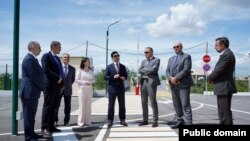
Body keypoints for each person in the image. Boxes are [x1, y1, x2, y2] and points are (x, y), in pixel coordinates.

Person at [207, 37, 237, 125]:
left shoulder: (227, 55)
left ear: (223, 45)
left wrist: (209, 78)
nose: (215, 47)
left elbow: (219, 70)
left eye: (216, 45)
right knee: (222, 112)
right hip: (222, 87)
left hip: (224, 87)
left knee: (224, 112)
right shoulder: (226, 54)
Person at [20, 41, 44, 141]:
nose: (40, 49)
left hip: (32, 92)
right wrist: (44, 87)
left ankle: (32, 133)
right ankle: (29, 137)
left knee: (31, 116)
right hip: (28, 92)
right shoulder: (29, 59)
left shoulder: (33, 59)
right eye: (39, 47)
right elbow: (34, 76)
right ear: (33, 47)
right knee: (28, 115)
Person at [166, 42, 193, 128]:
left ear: (181, 47)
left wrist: (176, 78)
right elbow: (167, 71)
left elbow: (186, 69)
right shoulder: (171, 59)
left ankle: (188, 123)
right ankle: (179, 121)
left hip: (183, 84)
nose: (176, 48)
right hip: (173, 85)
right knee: (176, 104)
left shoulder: (186, 56)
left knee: (185, 104)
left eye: (177, 46)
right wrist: (171, 79)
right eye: (174, 47)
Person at [41, 41, 63, 135]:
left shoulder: (57, 58)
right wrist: (57, 78)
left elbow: (60, 71)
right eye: (59, 47)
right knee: (48, 106)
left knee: (54, 106)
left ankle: (51, 126)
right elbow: (46, 69)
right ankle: (44, 127)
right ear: (53, 47)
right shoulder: (46, 56)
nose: (60, 49)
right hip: (49, 85)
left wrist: (61, 82)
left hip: (57, 85)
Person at [105, 51, 128, 128]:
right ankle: (110, 121)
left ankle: (122, 120)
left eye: (118, 55)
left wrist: (124, 78)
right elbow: (105, 77)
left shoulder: (123, 66)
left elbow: (126, 76)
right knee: (111, 105)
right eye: (115, 56)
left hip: (121, 88)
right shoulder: (109, 67)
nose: (117, 57)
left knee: (122, 105)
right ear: (112, 58)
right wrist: (113, 77)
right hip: (112, 89)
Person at [138, 47, 160, 127]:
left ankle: (155, 121)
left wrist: (145, 69)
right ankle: (145, 120)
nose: (145, 54)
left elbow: (154, 70)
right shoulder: (143, 61)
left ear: (151, 52)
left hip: (151, 83)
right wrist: (147, 69)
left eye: (146, 52)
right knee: (144, 102)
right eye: (144, 52)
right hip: (143, 82)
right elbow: (139, 70)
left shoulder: (156, 60)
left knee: (153, 101)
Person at [55, 53, 76, 126]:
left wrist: (67, 85)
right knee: (56, 106)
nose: (66, 58)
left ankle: (66, 121)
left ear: (69, 59)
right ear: (62, 59)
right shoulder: (58, 68)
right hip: (58, 89)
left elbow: (72, 80)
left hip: (68, 89)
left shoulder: (72, 69)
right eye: (65, 57)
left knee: (67, 107)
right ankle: (55, 121)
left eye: (67, 57)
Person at [75, 57, 95, 126]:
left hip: (89, 89)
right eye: (88, 61)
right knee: (82, 105)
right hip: (82, 89)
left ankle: (88, 121)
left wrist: (91, 82)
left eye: (89, 61)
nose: (89, 62)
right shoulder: (80, 70)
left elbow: (93, 79)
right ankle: (80, 121)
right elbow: (76, 80)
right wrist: (84, 82)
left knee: (88, 105)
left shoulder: (90, 71)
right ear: (84, 62)